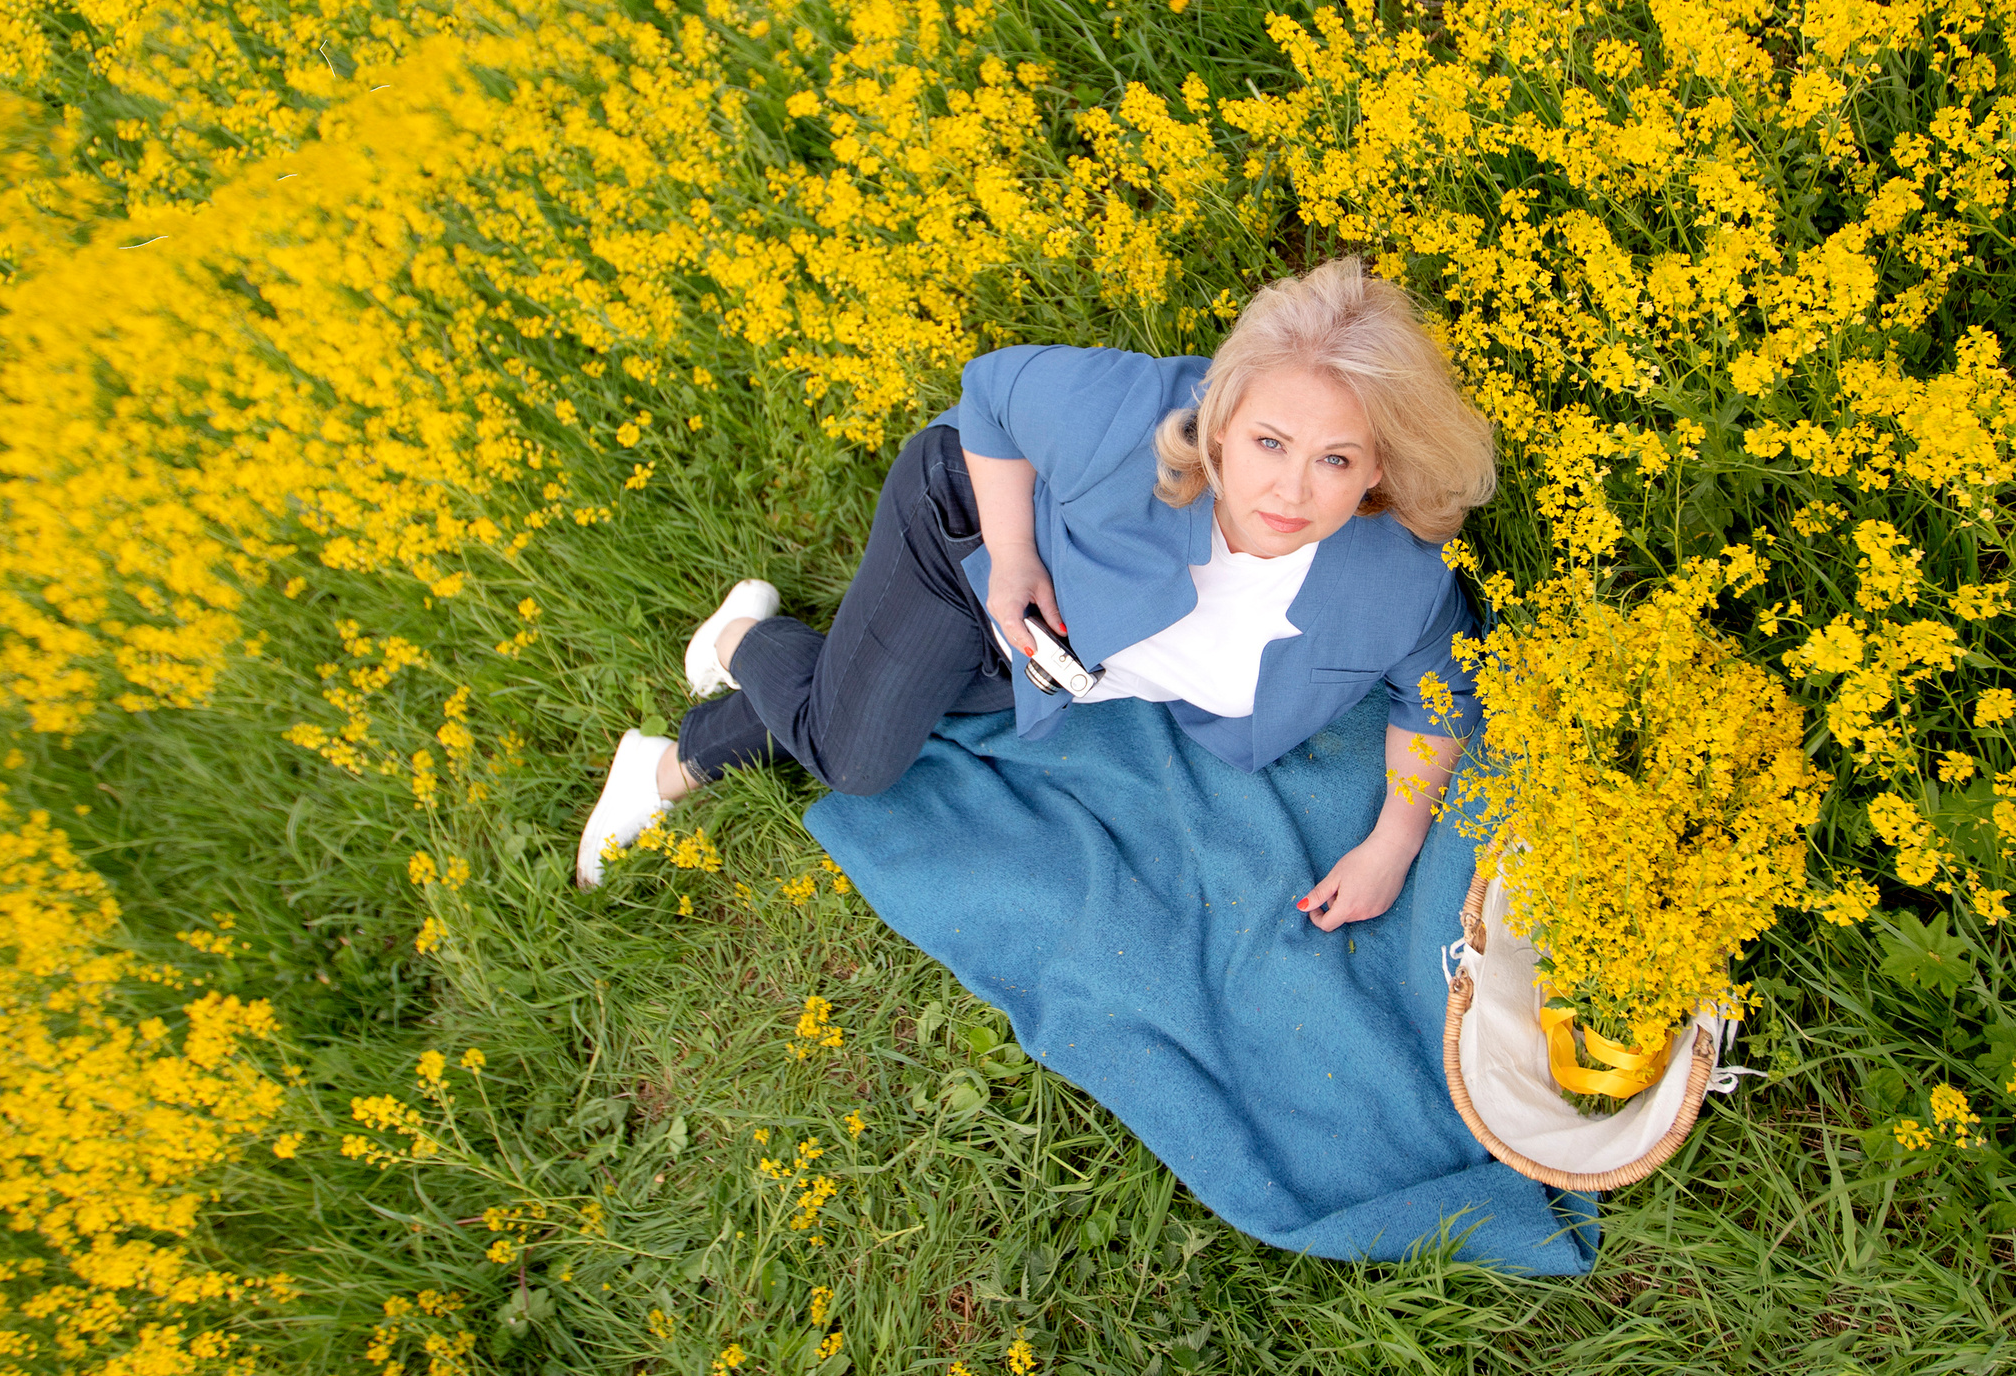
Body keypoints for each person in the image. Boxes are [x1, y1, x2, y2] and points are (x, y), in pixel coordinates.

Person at [577, 257, 1498, 929]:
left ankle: (695, 743)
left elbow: (1439, 687)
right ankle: (734, 648)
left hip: (1055, 649)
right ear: (1219, 424)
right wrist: (1013, 557)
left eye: (1334, 460)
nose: (1290, 493)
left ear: (1379, 468)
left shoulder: (1395, 584)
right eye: (1268, 443)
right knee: (857, 761)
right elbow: (991, 394)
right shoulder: (1133, 422)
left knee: (895, 706)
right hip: (970, 535)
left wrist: (1393, 844)